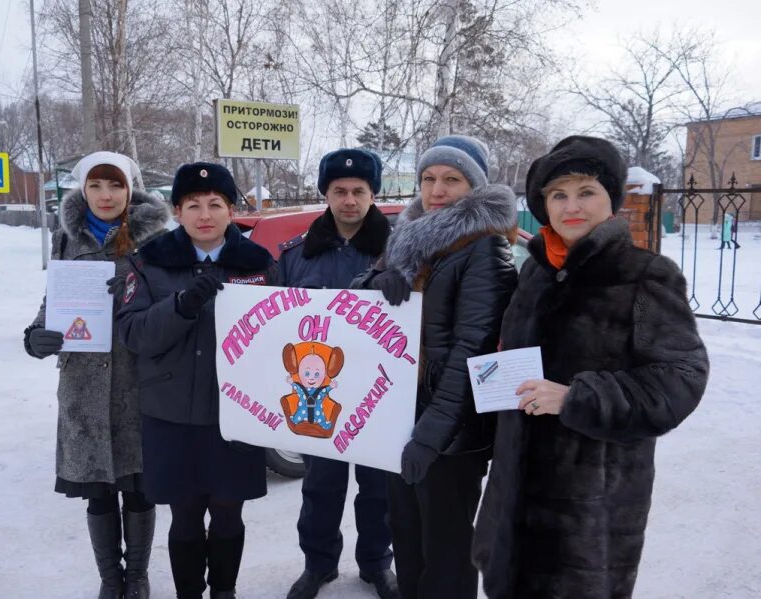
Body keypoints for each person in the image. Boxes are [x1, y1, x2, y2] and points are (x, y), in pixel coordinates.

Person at [471, 135, 710, 598]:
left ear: (611, 200)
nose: (571, 206)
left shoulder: (644, 275)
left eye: (586, 192)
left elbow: (682, 378)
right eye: (558, 195)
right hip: (514, 499)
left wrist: (577, 396)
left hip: (587, 513)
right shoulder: (535, 273)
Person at [353, 135, 518, 599]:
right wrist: (375, 281)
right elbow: (358, 306)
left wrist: (431, 435)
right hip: (401, 417)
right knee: (407, 539)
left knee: (445, 553)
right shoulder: (411, 238)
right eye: (428, 178)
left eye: (452, 179)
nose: (437, 189)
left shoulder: (485, 248)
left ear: (475, 187)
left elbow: (473, 352)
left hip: (450, 434)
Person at [116, 162, 275, 599]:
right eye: (193, 205)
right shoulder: (150, 262)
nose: (205, 215)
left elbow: (288, 332)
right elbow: (133, 334)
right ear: (177, 211)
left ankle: (224, 590)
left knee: (228, 514)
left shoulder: (259, 264)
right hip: (171, 415)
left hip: (236, 415)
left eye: (215, 204)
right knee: (184, 516)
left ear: (230, 210)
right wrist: (182, 306)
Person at [23, 151, 169, 599]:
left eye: (116, 186)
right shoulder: (67, 237)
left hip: (136, 379)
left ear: (131, 189)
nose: (106, 196)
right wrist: (35, 335)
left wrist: (140, 293)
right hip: (84, 382)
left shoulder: (156, 239)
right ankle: (111, 579)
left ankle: (138, 576)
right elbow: (54, 301)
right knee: (98, 490)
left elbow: (170, 302)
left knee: (139, 485)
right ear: (83, 189)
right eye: (96, 186)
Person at [277, 148, 399, 599]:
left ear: (373, 194)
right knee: (320, 488)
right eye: (339, 191)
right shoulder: (295, 257)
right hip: (317, 393)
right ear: (325, 194)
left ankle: (376, 565)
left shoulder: (398, 252)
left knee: (379, 489)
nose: (349, 200)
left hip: (378, 394)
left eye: (359, 191)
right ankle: (319, 564)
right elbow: (275, 325)